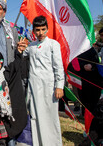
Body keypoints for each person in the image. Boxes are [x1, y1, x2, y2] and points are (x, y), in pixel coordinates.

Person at [24, 16, 65, 145]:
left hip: (49, 88)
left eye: (43, 29)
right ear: (33, 31)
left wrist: (59, 86)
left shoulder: (53, 44)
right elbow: (21, 54)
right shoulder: (31, 46)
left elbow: (58, 66)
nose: (40, 33)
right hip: (34, 88)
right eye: (37, 30)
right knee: (35, 117)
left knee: (50, 117)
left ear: (47, 29)